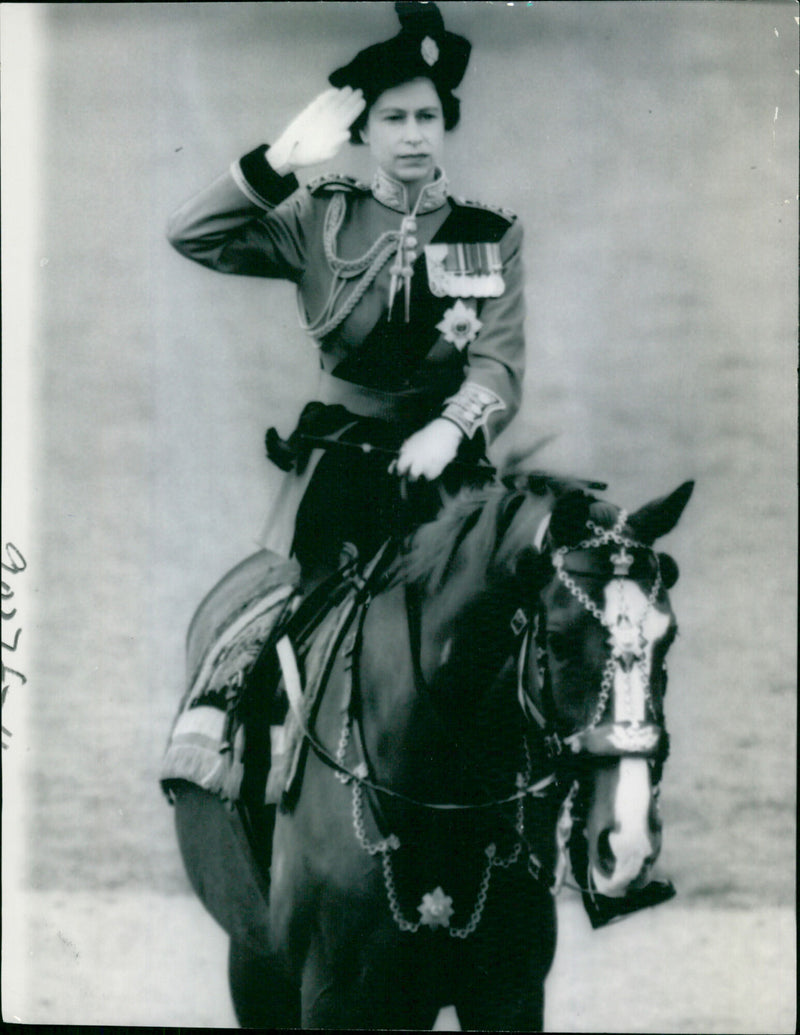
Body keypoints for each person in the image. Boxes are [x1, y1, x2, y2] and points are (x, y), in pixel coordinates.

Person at [167, 1, 526, 587]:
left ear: (445, 124)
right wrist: (278, 161)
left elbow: (499, 365)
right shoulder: (321, 216)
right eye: (393, 118)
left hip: (448, 469)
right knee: (297, 641)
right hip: (338, 467)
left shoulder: (490, 233)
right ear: (361, 130)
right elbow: (192, 236)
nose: (414, 136)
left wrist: (450, 429)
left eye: (428, 117)